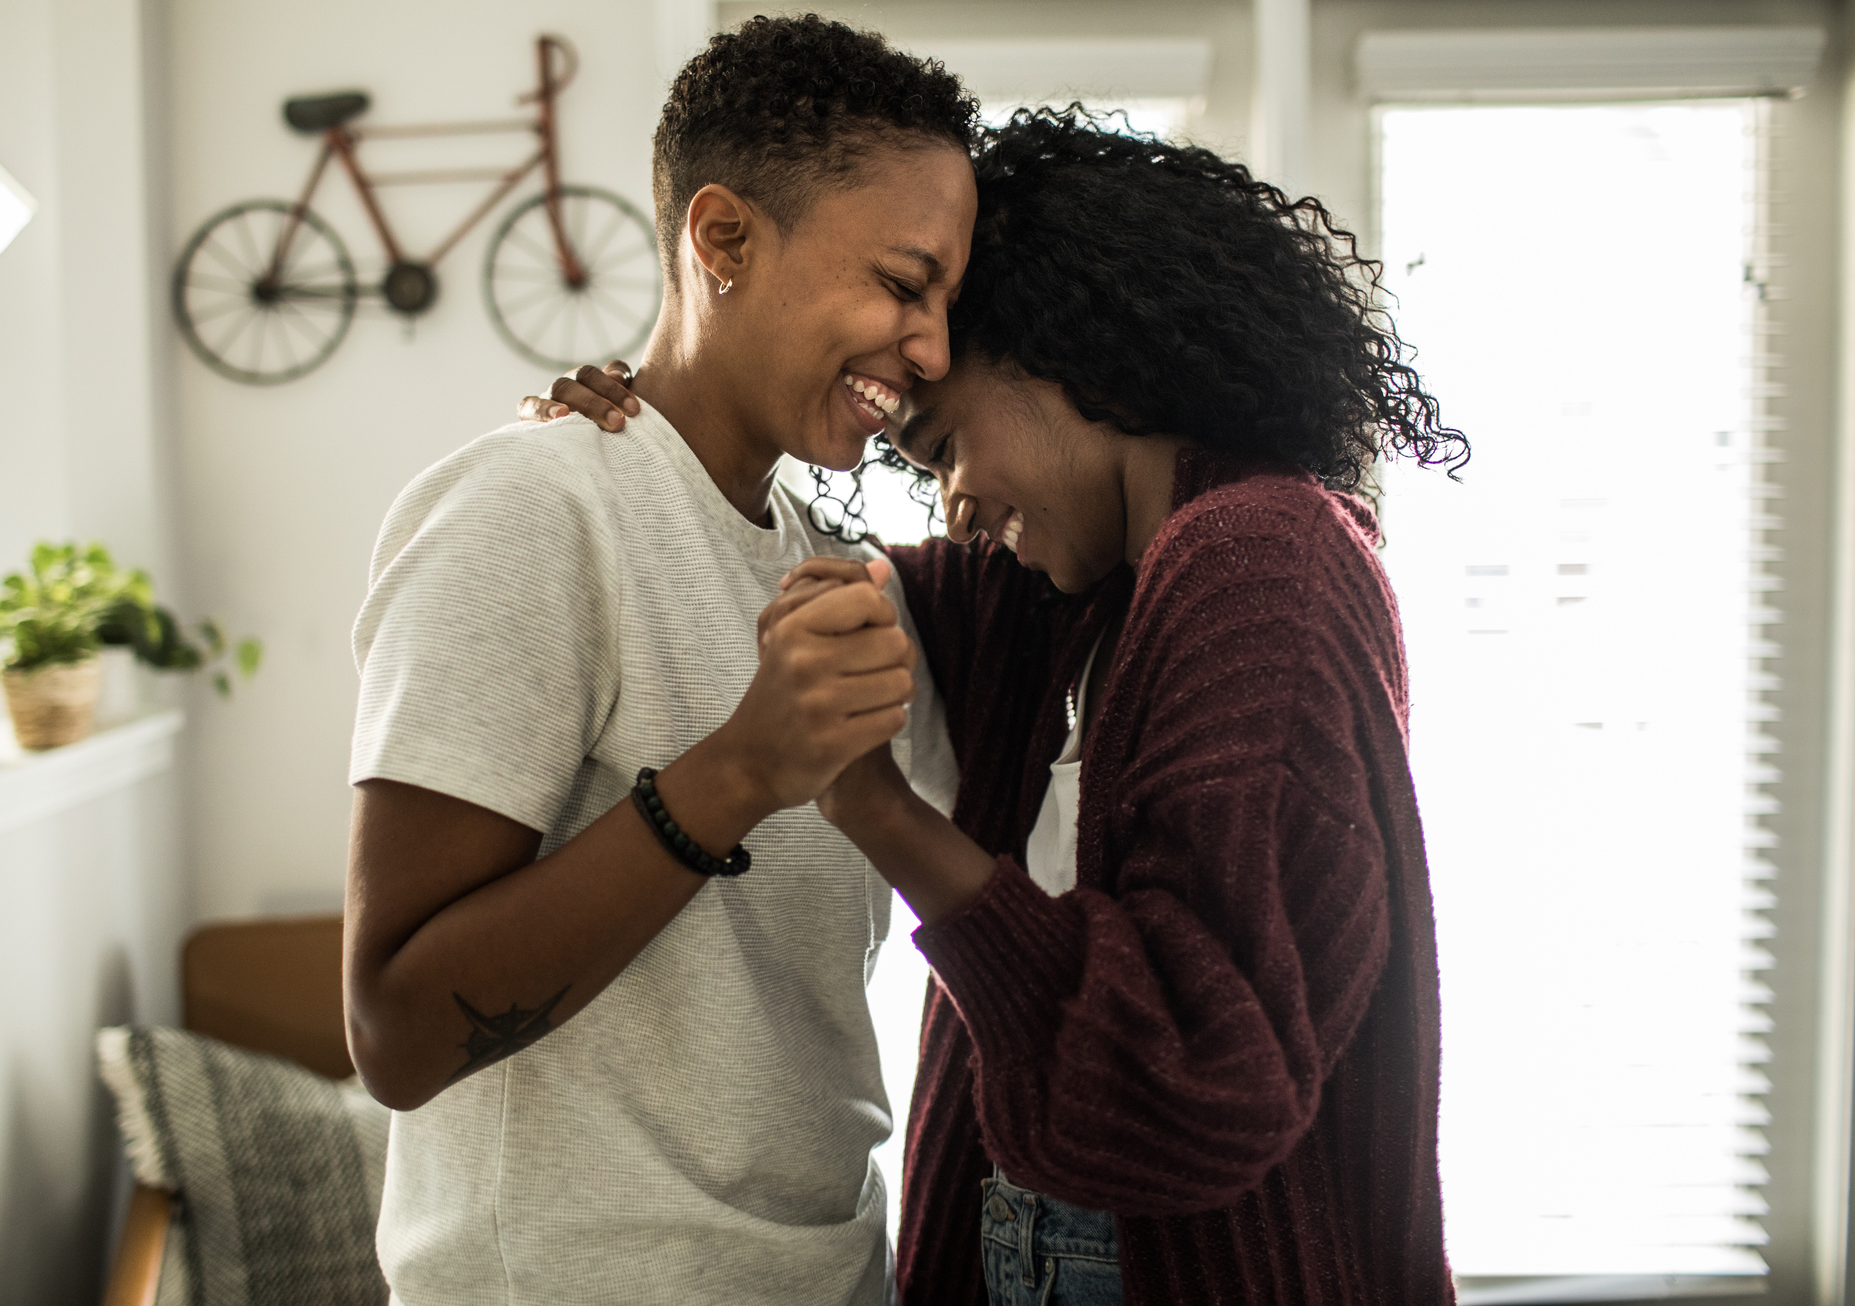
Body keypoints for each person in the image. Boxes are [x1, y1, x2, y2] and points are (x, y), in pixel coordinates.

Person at [531, 109, 1467, 1304]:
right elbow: (816, 582)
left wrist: (877, 811)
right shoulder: (1069, 597)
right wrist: (644, 434)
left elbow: (1198, 1071)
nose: (954, 506)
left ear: (1071, 352)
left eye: (946, 447)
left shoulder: (1263, 561)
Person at [344, 14, 977, 1306]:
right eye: (904, 284)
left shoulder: (835, 565)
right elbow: (396, 1035)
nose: (932, 348)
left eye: (949, 304)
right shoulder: (531, 508)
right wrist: (737, 770)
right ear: (724, 238)